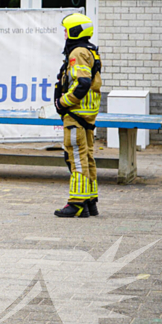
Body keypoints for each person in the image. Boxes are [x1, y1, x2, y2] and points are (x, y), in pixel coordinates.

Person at [54, 13, 103, 218]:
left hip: (76, 115)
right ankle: (90, 201)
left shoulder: (78, 52)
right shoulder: (88, 50)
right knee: (87, 156)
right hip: (85, 116)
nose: (64, 35)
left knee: (76, 158)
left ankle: (76, 204)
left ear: (75, 31)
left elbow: (82, 83)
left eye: (66, 30)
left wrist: (62, 103)